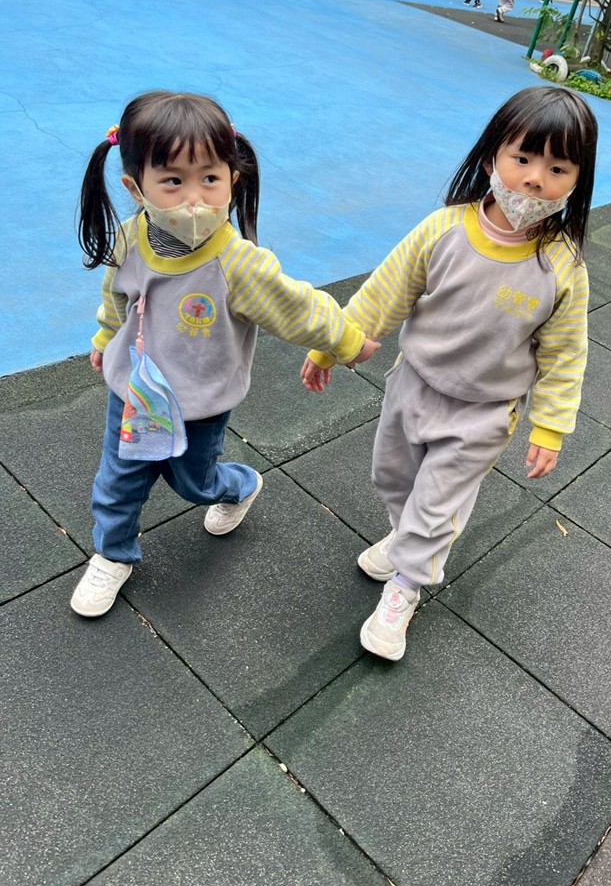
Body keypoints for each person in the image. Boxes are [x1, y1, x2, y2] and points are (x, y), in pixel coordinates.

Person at [301, 86, 597, 661]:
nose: (535, 180)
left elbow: (565, 356)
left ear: (577, 181)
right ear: (490, 159)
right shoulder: (445, 229)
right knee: (393, 478)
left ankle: (406, 584)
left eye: (558, 168)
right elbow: (384, 294)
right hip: (413, 384)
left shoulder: (562, 266)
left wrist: (550, 426)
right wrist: (331, 346)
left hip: (483, 412)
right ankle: (406, 537)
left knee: (437, 503)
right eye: (522, 159)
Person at [70, 91, 379, 618]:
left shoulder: (237, 264)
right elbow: (116, 296)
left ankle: (239, 485)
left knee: (195, 483)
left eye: (209, 178)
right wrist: (105, 339)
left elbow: (297, 306)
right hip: (136, 391)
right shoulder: (129, 238)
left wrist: (347, 342)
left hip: (201, 401)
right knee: (118, 480)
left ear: (232, 179)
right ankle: (112, 552)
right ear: (135, 187)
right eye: (173, 181)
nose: (195, 199)